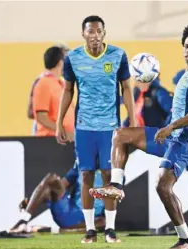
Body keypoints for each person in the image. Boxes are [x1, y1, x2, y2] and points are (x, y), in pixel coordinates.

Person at [90, 22, 188, 249]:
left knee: (162, 186)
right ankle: (116, 186)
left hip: (186, 139)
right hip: (173, 136)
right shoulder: (187, 74)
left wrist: (170, 127)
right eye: (186, 46)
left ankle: (186, 240)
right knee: (120, 135)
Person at [56, 15, 137, 243]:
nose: (95, 35)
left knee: (109, 177)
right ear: (83, 34)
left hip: (110, 127)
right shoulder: (73, 58)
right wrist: (59, 121)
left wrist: (132, 118)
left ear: (104, 33)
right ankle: (90, 230)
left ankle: (110, 229)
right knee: (85, 176)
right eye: (90, 31)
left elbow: (126, 88)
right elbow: (69, 91)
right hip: (84, 127)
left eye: (98, 31)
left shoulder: (118, 55)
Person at [9, 164, 105, 233]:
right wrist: (31, 202)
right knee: (51, 179)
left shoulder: (110, 172)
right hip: (69, 210)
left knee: (102, 222)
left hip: (83, 220)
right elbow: (59, 185)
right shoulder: (80, 164)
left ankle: (27, 223)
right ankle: (24, 219)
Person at [32, 46, 75, 139]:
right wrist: (62, 131)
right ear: (60, 62)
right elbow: (41, 117)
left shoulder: (61, 84)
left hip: (65, 140)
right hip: (50, 140)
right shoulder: (43, 83)